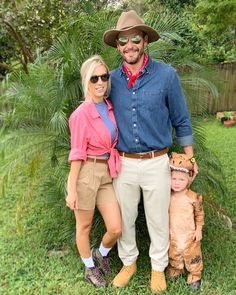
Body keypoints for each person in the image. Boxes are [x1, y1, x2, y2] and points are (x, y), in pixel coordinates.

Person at [103, 10, 198, 293]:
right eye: (123, 41)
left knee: (158, 219)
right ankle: (129, 263)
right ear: (118, 46)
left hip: (158, 162)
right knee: (125, 218)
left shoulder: (166, 76)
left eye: (134, 38)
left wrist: (190, 156)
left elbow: (181, 118)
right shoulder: (109, 80)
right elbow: (97, 113)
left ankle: (158, 267)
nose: (129, 45)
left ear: (145, 40)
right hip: (123, 163)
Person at [66, 55, 122, 288]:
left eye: (104, 76)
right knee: (84, 226)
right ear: (86, 81)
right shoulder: (80, 114)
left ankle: (100, 254)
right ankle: (90, 268)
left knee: (115, 228)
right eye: (94, 78)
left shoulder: (108, 106)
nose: (100, 82)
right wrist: (72, 190)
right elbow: (77, 154)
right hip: (87, 172)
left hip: (107, 173)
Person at [168, 152, 204, 290]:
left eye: (181, 180)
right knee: (174, 252)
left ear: (189, 179)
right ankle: (176, 269)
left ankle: (195, 275)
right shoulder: (167, 195)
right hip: (173, 233)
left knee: (193, 255)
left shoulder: (193, 197)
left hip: (189, 234)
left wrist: (199, 230)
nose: (177, 183)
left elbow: (199, 214)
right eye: (174, 179)